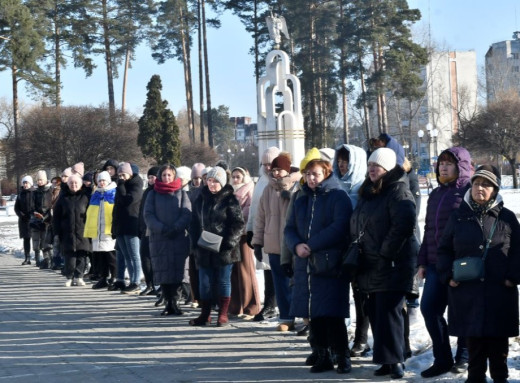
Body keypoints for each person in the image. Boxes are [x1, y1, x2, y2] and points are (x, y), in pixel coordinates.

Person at [437, 165, 520, 383]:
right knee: (473, 344)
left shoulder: (507, 218)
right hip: (467, 291)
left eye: (485, 184)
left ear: (495, 189)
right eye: (475, 183)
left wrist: (513, 277)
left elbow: (518, 251)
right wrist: (447, 275)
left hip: (499, 291)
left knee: (498, 346)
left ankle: (500, 378)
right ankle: (475, 379)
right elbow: (444, 249)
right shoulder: (458, 217)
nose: (479, 188)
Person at [349, 148, 417, 379]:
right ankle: (386, 360)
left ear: (387, 168)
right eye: (369, 165)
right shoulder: (369, 192)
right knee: (376, 313)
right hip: (369, 263)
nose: (371, 169)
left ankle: (396, 360)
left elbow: (404, 226)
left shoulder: (398, 191)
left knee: (390, 314)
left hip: (392, 264)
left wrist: (385, 253)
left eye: (376, 166)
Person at [285, 159, 353, 374]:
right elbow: (289, 228)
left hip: (329, 263)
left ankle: (342, 355)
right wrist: (296, 245)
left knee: (332, 313)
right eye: (308, 174)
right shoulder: (301, 197)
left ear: (326, 173)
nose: (311, 178)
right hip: (305, 263)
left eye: (315, 174)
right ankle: (322, 354)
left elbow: (340, 226)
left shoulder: (337, 196)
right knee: (314, 313)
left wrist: (311, 245)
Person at [417, 147, 472, 378]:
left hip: (459, 265)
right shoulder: (437, 193)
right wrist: (422, 261)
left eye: (449, 163)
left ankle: (464, 357)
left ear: (461, 166)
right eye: (441, 163)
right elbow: (429, 229)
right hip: (434, 264)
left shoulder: (469, 192)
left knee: (462, 313)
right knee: (429, 309)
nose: (443, 167)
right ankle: (442, 358)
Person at [189, 166, 245, 327]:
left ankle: (223, 313)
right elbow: (193, 222)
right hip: (204, 247)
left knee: (223, 281)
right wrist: (195, 241)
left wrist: (228, 242)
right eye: (209, 181)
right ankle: (205, 314)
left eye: (215, 181)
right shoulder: (201, 198)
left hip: (225, 249)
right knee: (204, 282)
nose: (211, 184)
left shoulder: (230, 199)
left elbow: (238, 223)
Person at [252, 153, 301, 331]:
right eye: (274, 170)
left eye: (279, 170)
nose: (276, 174)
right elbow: (261, 217)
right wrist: (257, 241)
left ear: (287, 169)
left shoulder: (297, 186)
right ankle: (286, 317)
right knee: (279, 282)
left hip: (292, 243)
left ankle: (302, 315)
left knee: (295, 281)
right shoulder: (268, 189)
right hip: (273, 242)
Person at [144, 165, 192, 316]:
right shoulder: (152, 194)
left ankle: (176, 302)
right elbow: (148, 215)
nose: (166, 178)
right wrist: (162, 228)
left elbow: (186, 213)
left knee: (177, 271)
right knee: (163, 271)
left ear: (174, 176)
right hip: (159, 238)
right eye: (164, 175)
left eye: (169, 175)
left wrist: (176, 227)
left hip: (178, 238)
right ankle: (168, 302)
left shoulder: (181, 193)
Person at [247, 147, 280, 322]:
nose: (267, 168)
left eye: (271, 164)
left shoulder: (279, 181)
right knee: (266, 269)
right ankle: (269, 303)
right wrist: (251, 229)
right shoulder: (261, 181)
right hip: (263, 231)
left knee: (277, 269)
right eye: (265, 164)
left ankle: (275, 304)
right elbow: (254, 208)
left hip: (276, 232)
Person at [229, 166, 261, 319]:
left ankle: (251, 306)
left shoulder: (249, 190)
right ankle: (235, 306)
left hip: (243, 234)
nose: (235, 180)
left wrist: (234, 219)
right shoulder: (229, 192)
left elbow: (248, 212)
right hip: (230, 235)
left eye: (238, 177)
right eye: (233, 177)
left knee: (246, 270)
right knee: (233, 271)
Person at [53, 174, 92, 287]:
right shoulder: (63, 198)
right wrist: (57, 232)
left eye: (76, 183)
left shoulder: (86, 197)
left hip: (83, 231)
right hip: (67, 232)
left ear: (80, 185)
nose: (73, 185)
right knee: (69, 257)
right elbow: (56, 216)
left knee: (81, 256)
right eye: (71, 183)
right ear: (68, 185)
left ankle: (79, 276)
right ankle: (69, 276)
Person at [111, 162, 144, 294]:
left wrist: (121, 185)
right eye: (119, 175)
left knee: (134, 255)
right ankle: (131, 281)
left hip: (132, 223)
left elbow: (127, 200)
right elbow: (117, 205)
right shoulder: (121, 186)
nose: (121, 177)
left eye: (123, 174)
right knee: (126, 255)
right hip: (120, 224)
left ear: (130, 174)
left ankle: (136, 281)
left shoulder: (136, 185)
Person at [84, 171, 117, 290]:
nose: (102, 183)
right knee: (101, 255)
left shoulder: (113, 193)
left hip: (108, 230)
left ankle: (114, 277)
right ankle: (103, 277)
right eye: (100, 181)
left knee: (110, 255)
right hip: (97, 230)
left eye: (104, 180)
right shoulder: (96, 194)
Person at [138, 166, 160, 296]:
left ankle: (158, 285)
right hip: (145, 229)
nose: (152, 180)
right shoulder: (147, 192)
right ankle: (149, 284)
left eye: (154, 177)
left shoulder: (160, 191)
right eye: (150, 177)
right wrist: (139, 227)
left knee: (156, 259)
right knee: (144, 257)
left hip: (155, 230)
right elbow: (141, 211)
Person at [31, 170, 54, 268]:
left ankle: (51, 260)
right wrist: (34, 212)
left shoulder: (50, 190)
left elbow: (51, 204)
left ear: (45, 180)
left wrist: (47, 215)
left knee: (47, 241)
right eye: (38, 180)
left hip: (47, 217)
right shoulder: (35, 192)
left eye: (41, 180)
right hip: (36, 217)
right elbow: (32, 204)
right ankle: (45, 260)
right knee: (38, 241)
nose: (39, 182)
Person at [15, 176, 34, 265]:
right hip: (23, 220)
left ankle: (38, 258)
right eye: (24, 183)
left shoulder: (34, 193)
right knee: (26, 239)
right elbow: (16, 208)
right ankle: (27, 258)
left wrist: (33, 214)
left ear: (31, 183)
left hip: (34, 219)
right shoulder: (20, 194)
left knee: (37, 239)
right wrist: (22, 215)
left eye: (27, 183)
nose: (25, 185)